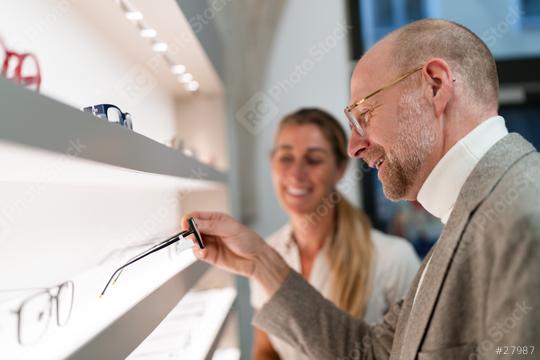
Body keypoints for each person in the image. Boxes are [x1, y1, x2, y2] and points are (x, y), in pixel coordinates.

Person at [182, 19, 540, 359]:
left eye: (364, 114)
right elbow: (374, 354)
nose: (354, 146)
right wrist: (259, 262)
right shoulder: (474, 215)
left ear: (435, 85)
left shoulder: (524, 218)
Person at [251, 108, 419, 360]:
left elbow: (416, 352)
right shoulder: (266, 254)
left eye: (313, 159)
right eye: (286, 158)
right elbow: (266, 350)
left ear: (340, 169)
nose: (296, 173)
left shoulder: (393, 258)